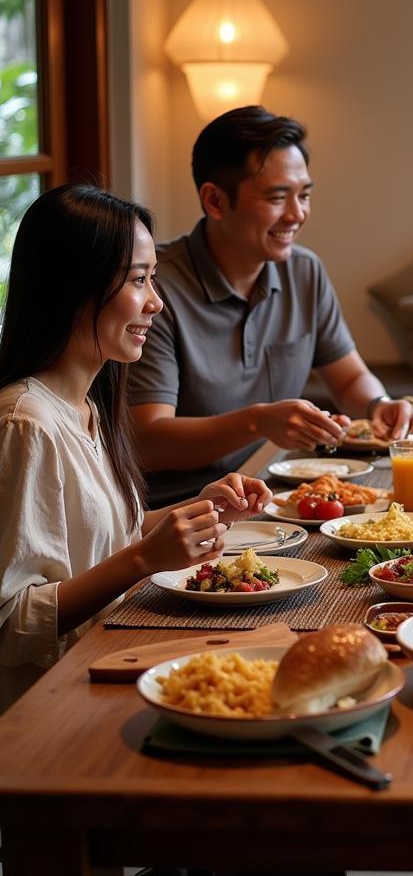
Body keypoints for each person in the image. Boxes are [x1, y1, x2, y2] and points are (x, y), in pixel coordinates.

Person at [0, 184, 271, 710]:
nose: (156, 302)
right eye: (138, 280)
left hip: (112, 658)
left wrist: (198, 512)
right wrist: (146, 558)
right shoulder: (25, 424)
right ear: (74, 287)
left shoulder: (86, 405)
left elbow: (96, 537)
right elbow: (13, 624)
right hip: (50, 710)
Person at [128, 106, 413, 507]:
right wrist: (258, 420)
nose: (297, 214)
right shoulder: (156, 288)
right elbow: (149, 441)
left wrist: (380, 405)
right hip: (181, 509)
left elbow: (350, 379)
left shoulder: (304, 271)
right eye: (277, 197)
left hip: (272, 495)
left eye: (304, 196)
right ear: (214, 201)